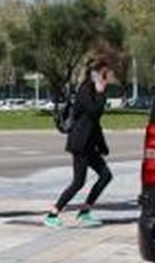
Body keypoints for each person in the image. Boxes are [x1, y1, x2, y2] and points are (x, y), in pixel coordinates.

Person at [44, 58, 114, 228]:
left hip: (90, 144)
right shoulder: (85, 90)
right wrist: (100, 92)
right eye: (104, 74)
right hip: (80, 143)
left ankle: (85, 211)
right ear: (95, 74)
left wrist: (102, 146)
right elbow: (94, 113)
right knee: (78, 182)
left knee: (105, 176)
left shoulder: (93, 90)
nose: (107, 78)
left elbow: (95, 124)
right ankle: (53, 214)